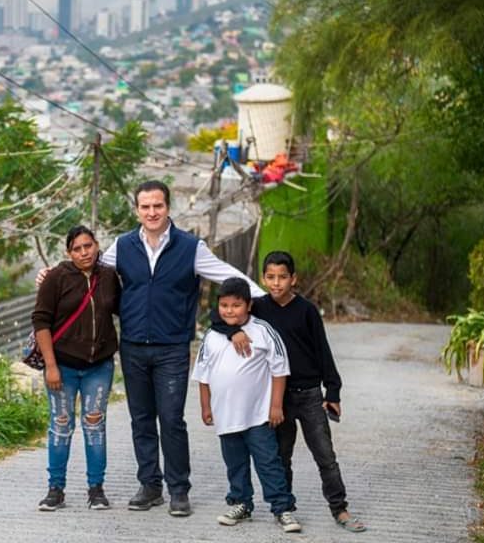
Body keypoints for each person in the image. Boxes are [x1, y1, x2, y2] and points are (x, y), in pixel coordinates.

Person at [99, 180, 264, 517]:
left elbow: (226, 274)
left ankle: (178, 490)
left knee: (172, 420)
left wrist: (266, 298)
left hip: (172, 347)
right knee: (141, 419)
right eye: (145, 207)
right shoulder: (123, 245)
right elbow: (87, 271)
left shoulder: (191, 247)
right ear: (137, 210)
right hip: (132, 346)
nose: (151, 212)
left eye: (157, 206)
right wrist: (51, 276)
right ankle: (149, 485)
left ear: (168, 207)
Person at [231, 250, 367, 533]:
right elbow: (223, 312)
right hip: (276, 396)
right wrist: (234, 332)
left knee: (324, 455)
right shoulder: (257, 308)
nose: (276, 283)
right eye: (270, 277)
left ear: (294, 279)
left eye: (282, 277)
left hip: (309, 394)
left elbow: (323, 351)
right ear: (263, 278)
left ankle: (339, 508)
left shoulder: (306, 311)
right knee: (281, 455)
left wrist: (333, 392)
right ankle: (285, 509)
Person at [192, 277, 301, 533]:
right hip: (226, 416)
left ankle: (282, 508)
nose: (229, 310)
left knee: (268, 462)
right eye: (225, 305)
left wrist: (276, 406)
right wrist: (206, 407)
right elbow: (202, 374)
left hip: (258, 415)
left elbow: (279, 369)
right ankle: (241, 503)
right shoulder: (212, 336)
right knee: (235, 463)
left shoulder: (262, 331)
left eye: (236, 305)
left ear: (249, 305)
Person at [30, 225, 122, 511]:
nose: (84, 252)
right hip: (63, 368)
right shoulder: (56, 278)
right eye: (77, 248)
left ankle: (96, 489)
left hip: (99, 366)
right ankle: (55, 489)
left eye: (88, 246)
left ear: (97, 245)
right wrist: (51, 366)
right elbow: (41, 322)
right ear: (69, 252)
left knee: (94, 426)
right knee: (61, 427)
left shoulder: (108, 277)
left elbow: (123, 308)